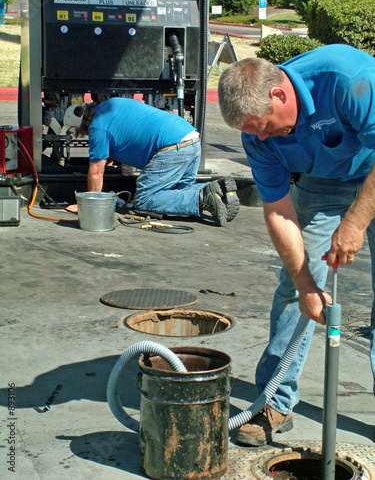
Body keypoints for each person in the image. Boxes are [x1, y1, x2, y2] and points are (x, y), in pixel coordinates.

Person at [218, 44, 375, 445]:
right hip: (321, 182)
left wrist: (356, 222)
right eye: (253, 132)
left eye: (266, 127)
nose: (262, 137)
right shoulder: (256, 135)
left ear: (279, 94)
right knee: (294, 288)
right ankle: (275, 400)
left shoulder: (345, 78)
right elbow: (277, 210)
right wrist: (308, 285)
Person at [64, 97, 240, 226]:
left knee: (144, 200)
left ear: (82, 126)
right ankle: (219, 193)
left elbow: (96, 171)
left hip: (171, 148)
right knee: (177, 192)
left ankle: (201, 197)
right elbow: (123, 138)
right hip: (190, 139)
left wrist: (87, 206)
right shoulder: (111, 104)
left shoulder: (97, 128)